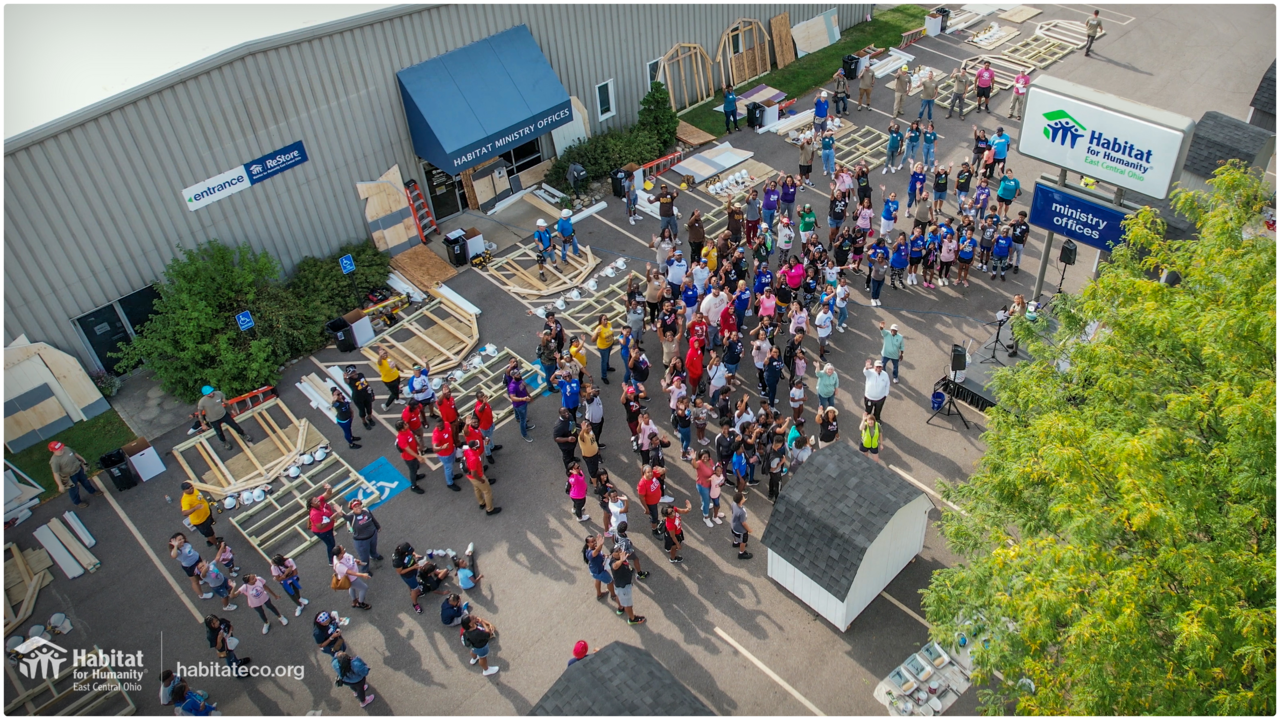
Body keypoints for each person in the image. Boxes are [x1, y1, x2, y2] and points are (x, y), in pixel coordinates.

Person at [196, 386, 255, 451]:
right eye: (208, 394)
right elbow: (200, 414)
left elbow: (225, 402)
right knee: (219, 432)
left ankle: (243, 434)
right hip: (213, 420)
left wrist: (232, 409)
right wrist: (203, 424)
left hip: (224, 415)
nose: (211, 394)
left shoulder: (219, 394)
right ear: (205, 394)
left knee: (235, 426)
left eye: (211, 392)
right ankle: (224, 442)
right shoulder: (202, 402)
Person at [47, 441, 100, 509]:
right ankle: (77, 502)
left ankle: (93, 491)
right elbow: (56, 474)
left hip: (78, 470)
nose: (62, 449)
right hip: (69, 477)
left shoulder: (67, 449)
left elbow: (77, 455)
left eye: (61, 447)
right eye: (59, 449)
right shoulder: (54, 461)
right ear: (53, 450)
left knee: (85, 482)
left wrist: (84, 463)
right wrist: (60, 485)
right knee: (74, 489)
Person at [609, 545, 646, 625]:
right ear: (612, 555)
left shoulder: (621, 558)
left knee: (618, 596)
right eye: (616, 551)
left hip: (619, 586)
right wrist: (621, 560)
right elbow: (615, 566)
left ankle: (620, 608)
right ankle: (632, 619)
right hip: (624, 588)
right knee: (628, 605)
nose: (619, 552)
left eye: (619, 550)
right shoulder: (614, 562)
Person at [464, 439, 502, 516]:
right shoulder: (473, 459)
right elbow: (474, 473)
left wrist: (486, 444)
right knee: (487, 492)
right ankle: (490, 509)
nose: (479, 444)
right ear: (474, 447)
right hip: (477, 477)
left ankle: (482, 503)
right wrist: (481, 480)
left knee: (477, 489)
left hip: (470, 477)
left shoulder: (468, 451)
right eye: (477, 444)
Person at [342, 499, 382, 569]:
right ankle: (365, 570)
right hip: (361, 541)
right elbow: (345, 517)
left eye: (358, 505)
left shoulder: (366, 511)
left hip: (373, 535)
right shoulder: (351, 517)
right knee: (364, 557)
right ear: (352, 508)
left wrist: (377, 526)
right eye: (355, 507)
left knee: (373, 548)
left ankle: (374, 555)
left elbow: (372, 518)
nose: (358, 507)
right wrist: (340, 513)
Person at [170, 533, 211, 599]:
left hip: (197, 560)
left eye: (182, 538)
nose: (182, 540)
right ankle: (201, 595)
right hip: (190, 566)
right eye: (179, 539)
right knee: (195, 581)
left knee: (202, 572)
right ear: (175, 542)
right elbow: (173, 556)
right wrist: (175, 546)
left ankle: (201, 579)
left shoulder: (185, 544)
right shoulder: (177, 551)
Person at [177, 481, 217, 546]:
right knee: (210, 533)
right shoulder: (185, 500)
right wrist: (195, 508)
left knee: (210, 531)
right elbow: (184, 512)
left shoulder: (194, 490)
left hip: (207, 514)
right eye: (188, 488)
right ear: (184, 491)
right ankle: (216, 544)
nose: (191, 489)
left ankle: (212, 540)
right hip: (201, 521)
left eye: (191, 487)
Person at [332, 545, 371, 610]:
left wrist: (355, 560)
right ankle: (361, 603)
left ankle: (354, 600)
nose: (344, 550)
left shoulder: (337, 557)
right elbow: (350, 572)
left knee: (351, 587)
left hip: (350, 579)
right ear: (339, 555)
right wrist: (362, 575)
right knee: (364, 588)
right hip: (352, 579)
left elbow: (348, 558)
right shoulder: (339, 566)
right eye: (342, 550)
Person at [431, 416, 462, 493]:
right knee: (448, 468)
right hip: (444, 455)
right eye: (438, 426)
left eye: (441, 425)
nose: (440, 427)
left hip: (451, 449)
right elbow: (435, 448)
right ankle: (450, 483)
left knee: (451, 465)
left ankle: (452, 476)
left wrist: (455, 443)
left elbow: (451, 435)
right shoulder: (436, 434)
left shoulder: (447, 424)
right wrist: (442, 447)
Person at [505, 363, 534, 443]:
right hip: (519, 405)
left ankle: (525, 426)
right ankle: (524, 434)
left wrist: (529, 396)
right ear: (513, 376)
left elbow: (524, 389)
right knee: (523, 419)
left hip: (523, 402)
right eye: (517, 375)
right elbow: (513, 398)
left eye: (519, 373)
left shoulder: (520, 380)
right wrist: (523, 398)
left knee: (522, 418)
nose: (519, 375)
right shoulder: (512, 386)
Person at [308, 486, 338, 559]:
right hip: (323, 532)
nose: (318, 500)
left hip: (328, 528)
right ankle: (332, 560)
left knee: (332, 543)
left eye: (317, 499)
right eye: (315, 501)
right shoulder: (315, 514)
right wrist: (331, 518)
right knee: (331, 544)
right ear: (312, 505)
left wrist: (329, 487)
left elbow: (328, 493)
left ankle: (334, 557)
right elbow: (320, 527)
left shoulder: (319, 502)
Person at [591, 314, 615, 385]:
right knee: (604, 361)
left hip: (610, 344)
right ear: (600, 321)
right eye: (604, 319)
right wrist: (597, 334)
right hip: (603, 347)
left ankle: (608, 367)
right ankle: (603, 376)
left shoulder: (609, 324)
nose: (606, 321)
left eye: (606, 319)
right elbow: (593, 340)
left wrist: (612, 339)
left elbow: (611, 332)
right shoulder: (599, 328)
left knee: (607, 357)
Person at [730, 492, 753, 559]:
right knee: (743, 541)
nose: (744, 497)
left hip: (733, 525)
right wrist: (749, 530)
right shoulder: (741, 512)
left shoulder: (734, 504)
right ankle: (741, 553)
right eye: (743, 497)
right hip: (740, 530)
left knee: (735, 535)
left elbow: (732, 511)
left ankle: (736, 542)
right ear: (740, 501)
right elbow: (743, 523)